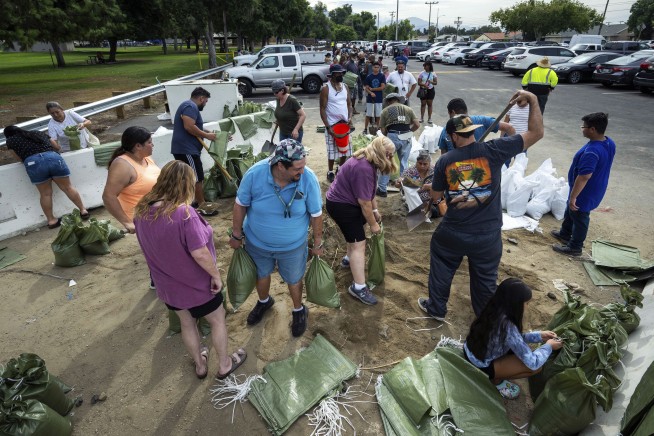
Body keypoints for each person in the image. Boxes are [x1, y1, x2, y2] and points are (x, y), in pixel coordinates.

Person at [418, 90, 544, 321]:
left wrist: (436, 192)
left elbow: (436, 195)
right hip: (488, 235)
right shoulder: (495, 150)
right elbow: (536, 133)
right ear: (472, 132)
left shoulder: (446, 160)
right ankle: (486, 319)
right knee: (485, 280)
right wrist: (533, 100)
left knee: (442, 263)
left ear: (454, 136)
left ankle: (436, 308)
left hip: (455, 231)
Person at [133, 161, 246, 380]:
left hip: (168, 286)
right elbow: (200, 253)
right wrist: (215, 276)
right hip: (197, 285)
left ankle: (200, 365)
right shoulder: (184, 213)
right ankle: (224, 365)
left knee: (187, 323)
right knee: (217, 320)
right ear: (185, 184)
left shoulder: (141, 212)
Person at [229, 139, 323, 337]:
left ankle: (298, 310)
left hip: (293, 247)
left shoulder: (308, 179)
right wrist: (236, 234)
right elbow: (240, 205)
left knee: (294, 279)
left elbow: (316, 215)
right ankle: (264, 302)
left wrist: (317, 244)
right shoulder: (255, 174)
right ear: (280, 165)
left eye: (304, 166)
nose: (302, 172)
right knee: (261, 275)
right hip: (257, 243)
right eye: (297, 168)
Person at [464, 278, 563, 399]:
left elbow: (512, 339)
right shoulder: (508, 326)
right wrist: (549, 346)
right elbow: (533, 362)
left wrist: (539, 335)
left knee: (520, 355)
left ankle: (498, 373)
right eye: (526, 303)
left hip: (471, 351)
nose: (527, 307)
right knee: (536, 368)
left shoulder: (495, 309)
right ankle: (496, 381)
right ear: (515, 304)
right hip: (481, 364)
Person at [325, 136, 396, 305]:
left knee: (355, 233)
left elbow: (368, 193)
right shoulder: (364, 167)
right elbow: (364, 202)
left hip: (345, 202)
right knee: (359, 243)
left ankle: (349, 259)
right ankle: (358, 287)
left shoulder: (367, 158)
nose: (392, 158)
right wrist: (373, 225)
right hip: (342, 206)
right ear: (384, 153)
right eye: (391, 155)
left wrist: (376, 210)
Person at [551, 112, 615, 256]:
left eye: (583, 127)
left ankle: (575, 247)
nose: (582, 129)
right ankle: (565, 233)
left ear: (592, 129)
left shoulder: (592, 152)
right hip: (595, 186)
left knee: (580, 217)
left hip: (584, 191)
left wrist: (574, 196)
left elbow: (584, 176)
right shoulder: (609, 142)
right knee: (571, 211)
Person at [4, 125, 89, 229]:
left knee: (45, 194)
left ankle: (51, 220)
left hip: (33, 162)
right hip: (52, 157)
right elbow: (56, 147)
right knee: (68, 187)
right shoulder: (36, 132)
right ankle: (83, 210)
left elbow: (18, 159)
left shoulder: (11, 141)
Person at [102, 126, 161, 234]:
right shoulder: (122, 165)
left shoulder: (146, 158)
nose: (152, 145)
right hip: (144, 219)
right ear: (138, 146)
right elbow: (108, 196)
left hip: (158, 212)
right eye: (149, 142)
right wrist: (127, 222)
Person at [171, 86, 217, 214]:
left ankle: (194, 202)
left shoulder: (188, 106)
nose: (205, 104)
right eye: (206, 101)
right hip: (187, 149)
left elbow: (195, 126)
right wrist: (207, 136)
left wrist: (209, 133)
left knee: (190, 177)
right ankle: (202, 205)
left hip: (187, 149)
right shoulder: (190, 106)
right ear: (201, 98)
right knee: (196, 177)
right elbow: (189, 127)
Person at [377, 93, 420, 197]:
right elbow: (417, 124)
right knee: (404, 163)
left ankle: (382, 189)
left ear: (388, 101)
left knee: (387, 161)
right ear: (398, 100)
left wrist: (389, 138)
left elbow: (382, 130)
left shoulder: (385, 111)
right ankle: (404, 190)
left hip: (392, 135)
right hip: (407, 136)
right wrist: (409, 132)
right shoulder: (408, 109)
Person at [437, 98, 516, 155]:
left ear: (453, 113)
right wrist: (510, 151)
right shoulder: (482, 120)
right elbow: (509, 128)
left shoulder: (446, 131)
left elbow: (443, 154)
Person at [319, 64, 354, 183]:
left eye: (342, 73)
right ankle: (330, 171)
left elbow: (349, 104)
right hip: (332, 124)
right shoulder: (326, 89)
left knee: (344, 149)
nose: (341, 75)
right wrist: (328, 126)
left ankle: (340, 169)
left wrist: (350, 117)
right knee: (331, 151)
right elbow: (322, 109)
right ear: (332, 75)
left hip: (344, 124)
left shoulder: (345, 87)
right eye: (338, 73)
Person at [364, 62, 386, 133]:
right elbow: (366, 88)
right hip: (370, 99)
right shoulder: (369, 77)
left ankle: (378, 128)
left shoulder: (382, 76)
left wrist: (372, 89)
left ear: (379, 68)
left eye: (377, 67)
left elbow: (382, 87)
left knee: (378, 115)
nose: (376, 68)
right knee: (368, 114)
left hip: (379, 98)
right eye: (375, 67)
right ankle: (365, 129)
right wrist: (371, 93)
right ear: (372, 68)